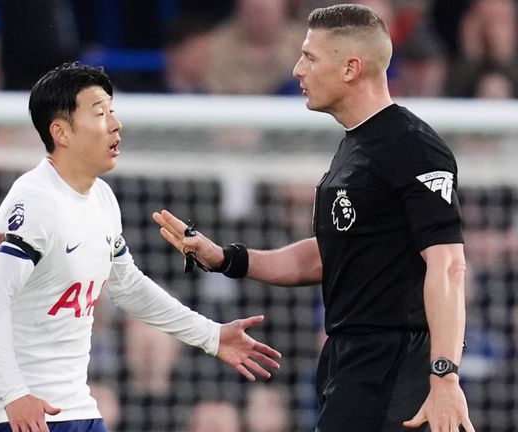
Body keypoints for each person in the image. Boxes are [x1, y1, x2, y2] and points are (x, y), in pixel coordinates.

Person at [153, 4, 475, 432]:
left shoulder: (414, 148)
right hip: (351, 359)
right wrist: (226, 258)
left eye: (310, 57)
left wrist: (444, 374)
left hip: (397, 364)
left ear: (350, 68)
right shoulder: (355, 148)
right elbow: (327, 257)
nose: (297, 69)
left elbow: (449, 265)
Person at [0, 62, 283, 432]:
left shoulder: (102, 198)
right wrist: (14, 394)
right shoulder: (35, 201)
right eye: (100, 113)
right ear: (61, 132)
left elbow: (127, 284)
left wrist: (210, 335)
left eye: (113, 111)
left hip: (73, 406)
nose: (116, 124)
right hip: (14, 413)